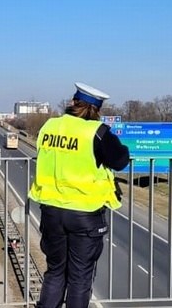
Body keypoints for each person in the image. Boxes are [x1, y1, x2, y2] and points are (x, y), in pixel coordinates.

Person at [28, 82, 130, 308]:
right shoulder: (97, 132)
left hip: (51, 209)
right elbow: (120, 160)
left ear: (73, 102)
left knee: (55, 272)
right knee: (79, 277)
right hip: (85, 213)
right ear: (97, 110)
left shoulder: (50, 125)